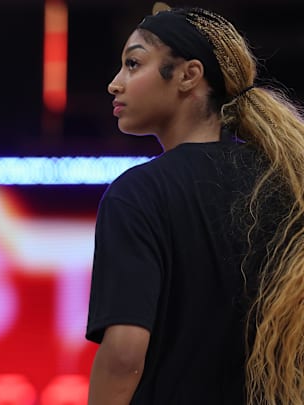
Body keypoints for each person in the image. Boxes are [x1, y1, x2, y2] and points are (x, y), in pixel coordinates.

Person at [85, 5, 304, 405]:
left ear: (189, 75)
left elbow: (124, 354)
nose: (115, 84)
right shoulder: (288, 184)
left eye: (133, 64)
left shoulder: (138, 193)